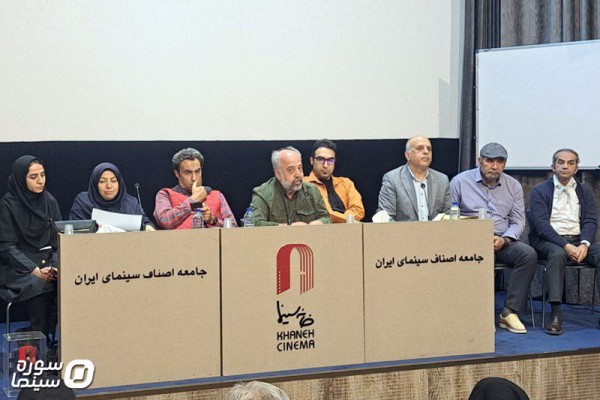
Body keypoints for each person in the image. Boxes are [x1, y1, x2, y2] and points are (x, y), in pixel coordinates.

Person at [450, 143, 537, 334]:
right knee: (482, 257)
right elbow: (450, 217)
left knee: (528, 254)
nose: (495, 166)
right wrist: (474, 236)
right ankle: (481, 314)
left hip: (502, 241)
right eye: (489, 161)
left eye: (500, 162)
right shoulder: (460, 182)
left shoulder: (513, 185)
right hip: (470, 242)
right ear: (479, 161)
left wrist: (504, 239)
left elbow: (518, 221)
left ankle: (509, 312)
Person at [529, 149, 600, 335]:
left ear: (576, 168)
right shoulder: (540, 190)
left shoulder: (584, 191)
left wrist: (584, 244)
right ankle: (556, 313)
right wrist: (566, 245)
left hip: (578, 240)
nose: (565, 166)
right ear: (553, 167)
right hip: (548, 240)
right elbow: (541, 226)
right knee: (557, 254)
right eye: (560, 162)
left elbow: (590, 220)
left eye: (570, 163)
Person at [0, 156, 60, 340]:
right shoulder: (7, 205)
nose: (40, 180)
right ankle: (38, 343)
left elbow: (59, 241)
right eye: (33, 177)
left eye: (42, 175)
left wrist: (55, 267)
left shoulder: (49, 201)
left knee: (67, 282)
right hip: (18, 268)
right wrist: (35, 270)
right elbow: (7, 248)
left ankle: (60, 342)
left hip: (47, 263)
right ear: (21, 179)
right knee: (41, 286)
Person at [154, 148, 237, 229]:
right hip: (180, 238)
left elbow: (234, 230)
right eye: (187, 172)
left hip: (211, 238)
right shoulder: (165, 194)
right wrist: (193, 200)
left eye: (197, 171)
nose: (194, 178)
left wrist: (213, 220)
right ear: (177, 174)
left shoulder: (217, 196)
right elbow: (164, 222)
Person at [251, 146, 331, 226]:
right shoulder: (263, 194)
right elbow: (256, 223)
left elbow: (326, 218)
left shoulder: (312, 191)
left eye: (300, 168)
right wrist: (287, 228)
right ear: (278, 174)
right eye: (290, 170)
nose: (298, 174)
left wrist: (312, 225)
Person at [377, 136, 451, 221]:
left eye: (429, 149)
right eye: (419, 148)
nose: (426, 152)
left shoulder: (442, 180)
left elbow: (448, 214)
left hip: (436, 229)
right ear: (408, 155)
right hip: (403, 229)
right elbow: (385, 216)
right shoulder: (392, 179)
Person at [69, 162, 155, 230]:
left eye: (113, 181)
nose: (109, 186)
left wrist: (147, 227)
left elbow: (145, 222)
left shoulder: (131, 203)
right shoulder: (83, 202)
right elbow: (75, 230)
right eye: (102, 181)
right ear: (95, 184)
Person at [304, 139, 365, 223]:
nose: (325, 165)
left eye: (330, 160)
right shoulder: (305, 184)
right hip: (321, 228)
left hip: (349, 228)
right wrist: (349, 220)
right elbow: (325, 214)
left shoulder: (346, 183)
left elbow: (358, 210)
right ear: (312, 160)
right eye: (321, 159)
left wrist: (347, 220)